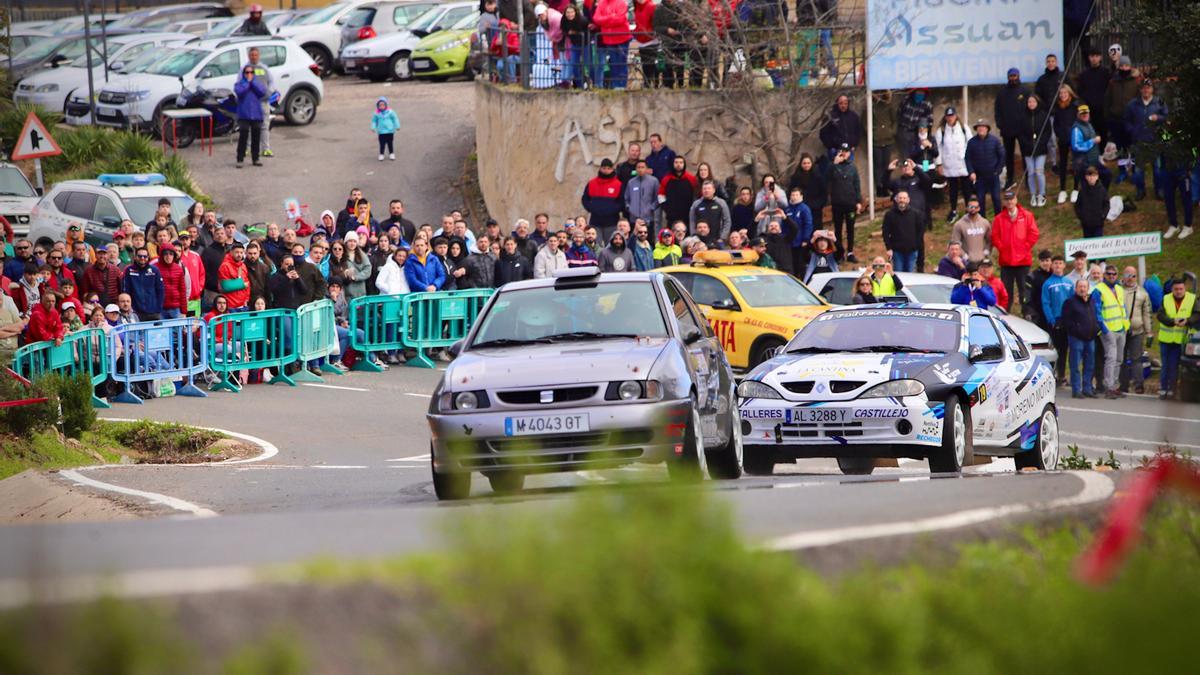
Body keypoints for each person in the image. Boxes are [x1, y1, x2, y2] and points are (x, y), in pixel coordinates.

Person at [991, 190, 1039, 315]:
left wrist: (1025, 247)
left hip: (1023, 261)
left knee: (1024, 289)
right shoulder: (999, 218)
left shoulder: (1027, 215)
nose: (1009, 202)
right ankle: (1004, 314)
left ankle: (1027, 313)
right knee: (1007, 291)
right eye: (1007, 200)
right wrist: (1002, 248)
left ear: (1016, 200)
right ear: (1004, 202)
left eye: (1011, 199)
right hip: (1006, 261)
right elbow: (995, 236)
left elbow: (1034, 233)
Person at [1123, 78, 1167, 202]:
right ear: (1140, 89)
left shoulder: (1160, 102)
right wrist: (1132, 131)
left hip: (1155, 141)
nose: (1146, 90)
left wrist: (1157, 117)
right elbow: (1126, 120)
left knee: (1157, 168)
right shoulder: (1133, 104)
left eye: (1148, 87)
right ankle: (1140, 191)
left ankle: (1159, 190)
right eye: (1143, 88)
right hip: (1139, 141)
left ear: (1152, 89)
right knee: (1138, 169)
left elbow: (1167, 117)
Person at [1156, 277, 1198, 399]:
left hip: (1181, 339)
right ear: (1172, 289)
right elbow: (1160, 315)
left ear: (1185, 288)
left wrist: (1187, 321)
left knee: (1174, 366)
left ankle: (1172, 389)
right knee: (1165, 365)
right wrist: (1172, 321)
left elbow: (1197, 314)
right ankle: (1163, 389)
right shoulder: (1166, 298)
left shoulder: (1192, 298)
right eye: (1176, 289)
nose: (1179, 291)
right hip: (1165, 339)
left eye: (1181, 289)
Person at [1091, 265, 1129, 399]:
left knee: (1119, 359)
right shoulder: (1098, 290)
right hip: (1108, 330)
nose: (1112, 276)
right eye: (1109, 274)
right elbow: (1097, 312)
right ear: (1104, 275)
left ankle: (1115, 386)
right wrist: (1105, 329)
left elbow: (1122, 307)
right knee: (1111, 358)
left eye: (1114, 274)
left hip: (1121, 328)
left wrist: (1126, 325)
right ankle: (1108, 387)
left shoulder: (1119, 288)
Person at [1105, 55, 1140, 186]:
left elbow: (1140, 99)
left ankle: (1135, 171)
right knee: (1120, 148)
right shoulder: (1113, 81)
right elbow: (1107, 99)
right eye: (1122, 66)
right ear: (1119, 67)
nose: (1124, 68)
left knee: (1133, 146)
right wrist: (1107, 116)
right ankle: (1122, 171)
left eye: (1126, 66)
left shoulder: (1135, 81)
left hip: (1131, 120)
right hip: (1116, 119)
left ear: (1130, 67)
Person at [1062, 278, 1099, 399]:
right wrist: (1077, 331)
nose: (1082, 289)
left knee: (1090, 365)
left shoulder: (1091, 301)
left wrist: (1096, 329)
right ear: (1076, 288)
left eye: (1084, 286)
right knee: (1075, 365)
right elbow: (1066, 321)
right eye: (1080, 286)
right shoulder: (1070, 302)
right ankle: (1076, 389)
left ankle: (1087, 388)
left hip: (1090, 338)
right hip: (1076, 338)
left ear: (1088, 288)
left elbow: (1095, 317)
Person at [1119, 267, 1153, 394]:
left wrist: (1149, 331)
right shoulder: (1118, 290)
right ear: (1123, 275)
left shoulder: (1142, 293)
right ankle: (1123, 385)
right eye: (1128, 275)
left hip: (1137, 330)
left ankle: (1139, 385)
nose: (1130, 278)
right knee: (1121, 359)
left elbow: (1147, 313)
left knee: (1136, 359)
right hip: (1121, 330)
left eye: (1133, 275)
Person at [826, 145, 862, 262]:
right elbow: (826, 178)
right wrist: (834, 164)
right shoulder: (833, 166)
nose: (844, 154)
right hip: (837, 203)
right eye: (842, 152)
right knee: (838, 229)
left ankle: (850, 252)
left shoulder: (852, 167)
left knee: (850, 229)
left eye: (846, 152)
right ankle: (839, 252)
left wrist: (858, 201)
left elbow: (857, 185)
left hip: (850, 203)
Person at [994, 68, 1029, 188]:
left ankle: (1028, 179)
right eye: (1011, 76)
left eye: (1015, 75)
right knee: (1008, 156)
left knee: (1026, 154)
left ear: (1018, 76)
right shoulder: (1002, 92)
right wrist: (1000, 124)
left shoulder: (1025, 90)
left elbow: (1030, 107)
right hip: (1007, 130)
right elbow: (997, 110)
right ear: (1008, 77)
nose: (1013, 78)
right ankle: (1010, 179)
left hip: (1023, 129)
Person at [1041, 254, 1073, 384]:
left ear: (1064, 265)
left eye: (1060, 263)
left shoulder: (1069, 282)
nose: (1058, 266)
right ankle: (1053, 375)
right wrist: (1051, 320)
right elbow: (1045, 303)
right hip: (1055, 321)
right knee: (1056, 350)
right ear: (1052, 266)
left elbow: (1072, 302)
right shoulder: (1048, 284)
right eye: (1055, 263)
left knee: (1065, 349)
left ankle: (1062, 375)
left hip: (1067, 321)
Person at [935, 106, 970, 222]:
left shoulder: (964, 128)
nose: (950, 118)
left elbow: (970, 143)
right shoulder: (941, 131)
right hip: (949, 163)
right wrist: (939, 164)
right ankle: (954, 210)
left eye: (952, 116)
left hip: (963, 163)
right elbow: (938, 148)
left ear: (956, 116)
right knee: (953, 188)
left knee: (967, 188)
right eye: (948, 116)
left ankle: (968, 209)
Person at [965, 119, 1005, 216]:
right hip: (979, 177)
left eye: (983, 127)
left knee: (996, 198)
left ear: (987, 128)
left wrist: (998, 170)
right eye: (979, 127)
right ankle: (981, 221)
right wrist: (971, 172)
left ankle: (999, 220)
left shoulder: (995, 141)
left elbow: (1002, 155)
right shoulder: (971, 142)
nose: (981, 129)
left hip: (993, 175)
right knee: (980, 199)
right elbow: (967, 158)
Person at [1016, 94, 1051, 206]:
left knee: (1039, 171)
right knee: (1031, 172)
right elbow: (1020, 133)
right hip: (1028, 150)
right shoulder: (1022, 116)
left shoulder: (1043, 115)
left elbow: (1047, 132)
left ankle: (1041, 194)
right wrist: (1027, 144)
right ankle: (1033, 194)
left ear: (1037, 103)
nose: (1031, 104)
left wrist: (1040, 143)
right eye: (1029, 102)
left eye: (1033, 102)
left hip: (1041, 149)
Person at [1073, 48, 1110, 149]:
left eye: (1096, 56)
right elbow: (1080, 92)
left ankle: (1103, 155)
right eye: (1092, 56)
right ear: (1089, 58)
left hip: (1103, 110)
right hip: (1089, 111)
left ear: (1100, 57)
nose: (1094, 59)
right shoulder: (1084, 75)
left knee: (1103, 133)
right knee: (1090, 134)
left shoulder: (1106, 73)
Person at [1052, 85, 1082, 204]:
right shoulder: (1058, 107)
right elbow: (1056, 124)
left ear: (1069, 94)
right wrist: (1059, 133)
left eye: (1065, 93)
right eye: (1061, 94)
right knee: (1063, 164)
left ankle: (1075, 189)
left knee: (1076, 163)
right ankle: (1063, 190)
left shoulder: (1075, 106)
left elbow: (1080, 121)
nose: (1062, 95)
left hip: (1074, 139)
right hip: (1063, 139)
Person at [581, 158, 625, 239]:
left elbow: (622, 202)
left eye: (608, 168)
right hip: (595, 221)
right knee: (596, 246)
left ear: (612, 169)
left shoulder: (618, 184)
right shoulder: (592, 183)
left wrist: (612, 210)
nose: (606, 170)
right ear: (600, 168)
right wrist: (592, 209)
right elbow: (585, 199)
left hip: (612, 222)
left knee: (611, 246)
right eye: (604, 168)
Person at [1070, 105, 1110, 192]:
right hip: (1085, 163)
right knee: (1088, 186)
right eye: (1082, 114)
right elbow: (1076, 146)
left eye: (1086, 113)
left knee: (1107, 175)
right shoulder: (1076, 129)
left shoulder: (1089, 124)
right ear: (1078, 115)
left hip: (1094, 160)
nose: (1085, 115)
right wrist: (1092, 141)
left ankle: (1101, 196)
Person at [592, 0, 632, 89]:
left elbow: (621, 19)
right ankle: (615, 86)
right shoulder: (601, 3)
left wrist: (605, 21)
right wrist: (611, 17)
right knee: (613, 64)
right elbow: (596, 19)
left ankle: (621, 86)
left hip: (622, 38)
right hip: (609, 39)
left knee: (621, 62)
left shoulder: (621, 3)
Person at [234, 63, 267, 167]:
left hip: (256, 114)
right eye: (247, 72)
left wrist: (252, 82)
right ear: (244, 73)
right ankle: (240, 158)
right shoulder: (239, 84)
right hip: (244, 114)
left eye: (251, 72)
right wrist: (247, 83)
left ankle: (255, 158)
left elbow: (262, 92)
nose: (249, 74)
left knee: (256, 137)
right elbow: (240, 92)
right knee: (243, 136)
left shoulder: (257, 83)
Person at [881, 191, 921, 273]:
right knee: (899, 275)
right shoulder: (889, 215)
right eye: (900, 198)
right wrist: (888, 248)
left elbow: (920, 231)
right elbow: (885, 232)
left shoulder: (915, 214)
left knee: (911, 276)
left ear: (908, 200)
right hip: (897, 251)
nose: (902, 200)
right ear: (896, 199)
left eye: (904, 198)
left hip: (912, 251)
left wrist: (916, 245)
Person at [121, 247, 164, 320]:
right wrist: (130, 308)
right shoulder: (129, 270)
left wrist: (158, 308)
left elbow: (160, 290)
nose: (142, 258)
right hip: (136, 312)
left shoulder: (154, 270)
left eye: (145, 256)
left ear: (148, 257)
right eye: (140, 256)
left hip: (153, 312)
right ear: (135, 257)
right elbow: (126, 291)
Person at [787, 153, 826, 232]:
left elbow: (824, 193)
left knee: (816, 230)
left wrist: (818, 204)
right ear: (801, 164)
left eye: (808, 163)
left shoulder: (818, 177)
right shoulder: (796, 177)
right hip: (800, 208)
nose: (806, 165)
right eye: (804, 163)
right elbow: (790, 192)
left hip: (815, 209)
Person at [659, 156, 699, 231]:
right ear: (673, 164)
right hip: (671, 217)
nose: (678, 164)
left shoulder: (691, 178)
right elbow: (661, 195)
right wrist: (666, 208)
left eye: (681, 162)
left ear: (684, 164)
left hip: (687, 216)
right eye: (676, 162)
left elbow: (696, 194)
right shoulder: (666, 179)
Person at [870, 90, 898, 197]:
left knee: (887, 165)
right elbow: (866, 123)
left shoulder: (889, 107)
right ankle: (879, 187)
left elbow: (895, 121)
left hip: (888, 141)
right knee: (877, 166)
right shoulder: (871, 107)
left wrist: (891, 132)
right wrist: (874, 134)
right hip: (876, 142)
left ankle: (886, 186)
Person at [818, 94, 863, 160]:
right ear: (837, 104)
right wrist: (831, 146)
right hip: (834, 150)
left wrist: (854, 145)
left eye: (845, 103)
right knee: (834, 169)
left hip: (849, 150)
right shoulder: (830, 116)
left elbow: (858, 132)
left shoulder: (853, 116)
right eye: (841, 103)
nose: (843, 105)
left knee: (848, 169)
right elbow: (823, 133)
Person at [950, 197, 992, 264]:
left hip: (982, 261)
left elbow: (990, 240)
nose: (973, 209)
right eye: (971, 207)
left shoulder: (985, 223)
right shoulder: (959, 224)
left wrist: (987, 251)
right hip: (967, 261)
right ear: (966, 208)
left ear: (979, 208)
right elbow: (955, 243)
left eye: (975, 207)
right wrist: (964, 255)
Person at [783, 187, 813, 274]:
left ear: (801, 196)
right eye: (793, 195)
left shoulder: (804, 209)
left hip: (800, 242)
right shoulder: (787, 209)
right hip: (789, 242)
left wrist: (805, 238)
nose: (794, 197)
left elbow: (808, 224)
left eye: (796, 195)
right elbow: (783, 224)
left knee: (800, 264)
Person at [153, 244, 187, 320]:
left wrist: (184, 311)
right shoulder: (155, 268)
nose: (168, 256)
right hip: (160, 309)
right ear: (161, 255)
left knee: (178, 331)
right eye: (166, 254)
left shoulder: (178, 269)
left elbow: (182, 290)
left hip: (175, 308)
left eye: (171, 254)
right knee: (161, 331)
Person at [1074, 166, 1109, 238]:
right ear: (1086, 177)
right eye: (1089, 176)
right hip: (1086, 224)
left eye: (1093, 175)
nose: (1091, 178)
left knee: (1098, 243)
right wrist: (1082, 217)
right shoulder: (1082, 191)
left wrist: (1103, 215)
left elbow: (1106, 204)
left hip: (1098, 224)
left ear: (1097, 177)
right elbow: (1077, 205)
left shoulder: (1102, 190)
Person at [217, 242, 252, 311]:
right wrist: (241, 284)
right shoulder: (225, 266)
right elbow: (225, 286)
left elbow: (247, 284)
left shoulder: (243, 266)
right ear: (231, 252)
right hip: (230, 305)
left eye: (241, 253)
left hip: (243, 305)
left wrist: (246, 299)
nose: (239, 255)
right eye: (237, 252)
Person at [624, 159, 659, 225]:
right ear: (636, 169)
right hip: (634, 219)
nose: (640, 169)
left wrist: (651, 208)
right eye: (638, 167)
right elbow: (627, 198)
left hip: (648, 218)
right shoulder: (631, 182)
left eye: (642, 167)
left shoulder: (653, 181)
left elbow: (657, 198)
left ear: (646, 169)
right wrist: (629, 208)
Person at [1027, 250, 1054, 329]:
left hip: (1054, 313)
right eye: (1042, 261)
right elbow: (1027, 297)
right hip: (1039, 313)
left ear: (1051, 261)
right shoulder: (1032, 276)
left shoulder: (1055, 275)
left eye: (1047, 260)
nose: (1045, 263)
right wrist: (1030, 313)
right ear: (1039, 262)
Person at [371, 97, 400, 162]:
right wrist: (373, 127)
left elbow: (395, 118)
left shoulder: (390, 112)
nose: (381, 106)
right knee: (382, 143)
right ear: (378, 106)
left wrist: (397, 126)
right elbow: (374, 121)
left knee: (390, 143)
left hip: (390, 131)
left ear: (386, 105)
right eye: (380, 105)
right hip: (381, 132)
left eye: (383, 104)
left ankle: (391, 153)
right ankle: (381, 154)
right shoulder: (376, 113)